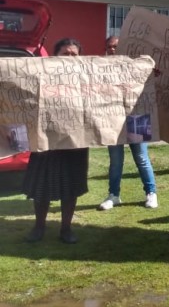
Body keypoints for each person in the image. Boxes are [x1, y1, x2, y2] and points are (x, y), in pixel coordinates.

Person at [22, 38, 89, 244]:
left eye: (74, 55)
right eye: (65, 54)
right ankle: (38, 227)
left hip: (75, 141)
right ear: (55, 56)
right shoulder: (40, 75)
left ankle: (66, 229)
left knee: (71, 186)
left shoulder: (87, 78)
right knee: (41, 185)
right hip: (46, 140)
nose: (70, 58)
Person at [98, 36, 158, 210]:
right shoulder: (100, 68)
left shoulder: (136, 65)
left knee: (141, 157)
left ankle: (151, 193)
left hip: (137, 117)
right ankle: (113, 195)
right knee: (115, 160)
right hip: (112, 118)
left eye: (116, 46)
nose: (113, 50)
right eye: (109, 47)